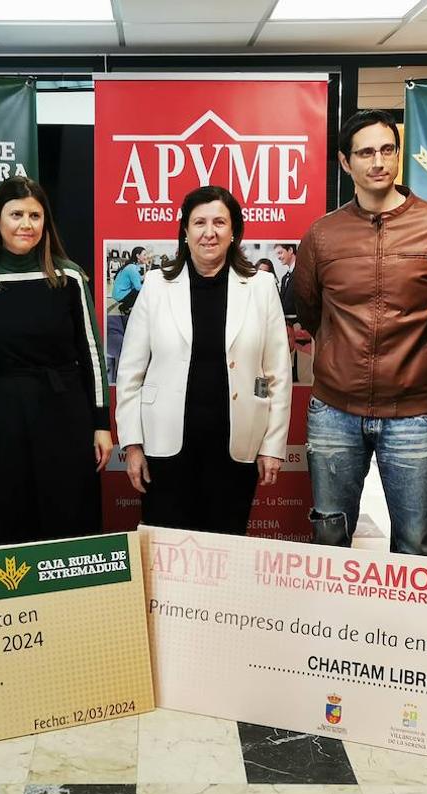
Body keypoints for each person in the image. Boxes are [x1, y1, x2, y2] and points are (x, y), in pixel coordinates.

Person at [295, 109, 427, 554]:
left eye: (388, 150)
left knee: (416, 544)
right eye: (366, 152)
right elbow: (310, 310)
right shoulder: (322, 235)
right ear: (345, 162)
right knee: (329, 538)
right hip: (334, 409)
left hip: (414, 412)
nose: (378, 162)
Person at [116, 186, 292, 535]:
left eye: (219, 223)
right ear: (185, 231)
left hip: (236, 446)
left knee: (225, 547)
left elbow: (278, 375)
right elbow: (130, 373)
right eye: (199, 222)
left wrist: (273, 446)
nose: (209, 232)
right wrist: (132, 445)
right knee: (166, 549)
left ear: (234, 231)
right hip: (164, 446)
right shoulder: (156, 285)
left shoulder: (261, 287)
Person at [0, 176, 111, 547]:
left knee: (67, 510)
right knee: (7, 511)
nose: (26, 224)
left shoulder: (68, 276)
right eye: (16, 215)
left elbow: (92, 352)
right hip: (3, 412)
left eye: (35, 215)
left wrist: (101, 424)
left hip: (64, 409)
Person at [111, 246, 150, 313]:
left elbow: (138, 278)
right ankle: (124, 307)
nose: (146, 257)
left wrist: (146, 275)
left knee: (142, 287)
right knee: (141, 291)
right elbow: (138, 287)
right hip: (120, 294)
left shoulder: (132, 266)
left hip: (119, 292)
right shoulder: (132, 268)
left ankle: (126, 305)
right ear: (138, 256)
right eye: (144, 255)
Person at [273, 243, 297, 317]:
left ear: (290, 250)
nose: (278, 257)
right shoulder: (284, 277)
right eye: (277, 254)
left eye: (280, 253)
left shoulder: (302, 272)